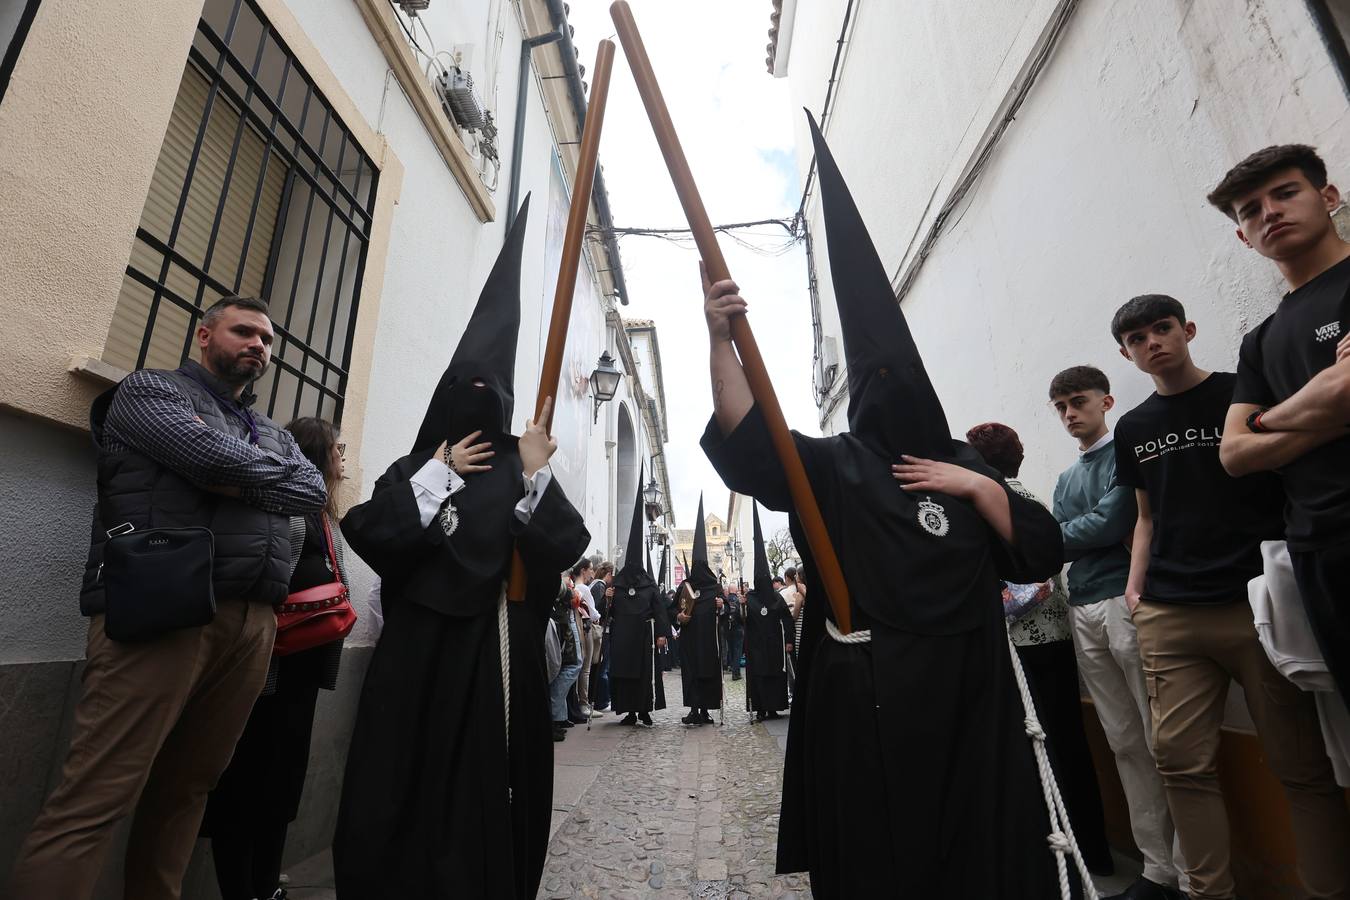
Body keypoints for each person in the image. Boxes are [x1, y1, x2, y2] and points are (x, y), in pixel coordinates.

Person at [702, 115, 1066, 897]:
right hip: (865, 684)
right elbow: (748, 439)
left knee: (977, 846)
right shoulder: (833, 463)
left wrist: (976, 486)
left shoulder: (968, 466)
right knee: (877, 852)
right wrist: (720, 340)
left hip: (970, 690)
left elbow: (1038, 550)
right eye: (878, 387)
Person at [6, 295, 326, 900]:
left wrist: (242, 473)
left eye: (266, 339)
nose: (258, 345)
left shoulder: (272, 433)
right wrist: (249, 475)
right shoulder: (151, 392)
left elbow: (311, 491)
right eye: (243, 331)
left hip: (253, 623)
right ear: (203, 336)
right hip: (163, 612)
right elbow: (205, 457)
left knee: (188, 790)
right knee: (97, 794)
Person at [331, 199, 590, 900]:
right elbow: (372, 533)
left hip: (494, 657)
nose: (479, 402)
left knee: (484, 805)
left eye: (491, 393)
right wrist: (440, 471)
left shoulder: (522, 468)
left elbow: (564, 546)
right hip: (416, 659)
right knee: (400, 790)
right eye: (465, 391)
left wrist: (534, 474)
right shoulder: (416, 467)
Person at [1111, 293, 1350, 900]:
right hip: (1169, 610)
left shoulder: (1237, 395)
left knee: (1301, 765)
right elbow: (1145, 518)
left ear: (1188, 329)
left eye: (1162, 329)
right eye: (1138, 339)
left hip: (1256, 603)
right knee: (1178, 763)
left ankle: (1326, 888)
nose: (1153, 343)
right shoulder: (1133, 426)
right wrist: (1136, 590)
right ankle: (1208, 892)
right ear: (1126, 354)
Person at [1210, 144, 1350, 713]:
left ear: (1328, 196)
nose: (1268, 211)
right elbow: (1235, 454)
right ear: (1244, 236)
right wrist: (1289, 417)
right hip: (1319, 549)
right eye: (1250, 210)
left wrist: (1267, 424)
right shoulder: (1261, 341)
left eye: (1285, 193)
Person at [1047, 365, 1187, 899]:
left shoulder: (1123, 451)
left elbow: (1109, 523)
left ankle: (1187, 866)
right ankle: (1158, 870)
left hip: (1127, 599)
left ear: (1105, 402)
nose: (1068, 414)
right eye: (1060, 407)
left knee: (1159, 737)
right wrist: (1074, 537)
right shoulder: (1064, 478)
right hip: (1081, 605)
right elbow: (1060, 540)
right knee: (1123, 741)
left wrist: (1070, 536)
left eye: (1077, 401)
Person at [203, 417, 351, 900]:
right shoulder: (284, 507)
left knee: (281, 788)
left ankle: (266, 888)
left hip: (299, 677)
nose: (343, 458)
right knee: (244, 785)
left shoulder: (325, 516)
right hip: (264, 669)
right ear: (315, 453)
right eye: (338, 449)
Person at [966, 421, 1115, 883]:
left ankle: (1060, 858)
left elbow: (1035, 582)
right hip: (1052, 642)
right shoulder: (1027, 497)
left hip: (1024, 647)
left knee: (1041, 751)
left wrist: (992, 608)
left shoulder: (993, 504)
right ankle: (1091, 851)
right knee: (1068, 745)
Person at [608, 471, 671, 726]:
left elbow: (659, 611)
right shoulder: (618, 585)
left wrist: (662, 633)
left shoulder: (648, 585)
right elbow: (607, 613)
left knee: (645, 675)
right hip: (624, 638)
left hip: (644, 637)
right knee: (626, 676)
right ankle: (629, 711)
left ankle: (644, 710)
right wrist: (608, 599)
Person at [677, 496, 724, 726]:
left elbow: (729, 610)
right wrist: (679, 617)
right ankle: (694, 709)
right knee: (692, 674)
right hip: (689, 639)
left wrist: (721, 606)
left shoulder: (715, 588)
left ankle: (705, 710)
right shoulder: (685, 586)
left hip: (709, 640)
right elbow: (673, 610)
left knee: (707, 673)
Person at [744, 504, 794, 722]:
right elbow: (742, 620)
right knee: (759, 677)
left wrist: (789, 641)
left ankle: (774, 707)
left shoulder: (777, 598)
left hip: (774, 644)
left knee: (775, 676)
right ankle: (761, 708)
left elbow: (787, 619)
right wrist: (743, 607)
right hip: (756, 645)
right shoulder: (751, 598)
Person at [550, 573, 584, 738]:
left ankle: (559, 716)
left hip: (562, 621)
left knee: (564, 668)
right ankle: (555, 716)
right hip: (559, 623)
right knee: (567, 668)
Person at [570, 558, 599, 719]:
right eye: (591, 570)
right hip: (586, 628)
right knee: (585, 668)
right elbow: (593, 613)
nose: (592, 574)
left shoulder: (576, 587)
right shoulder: (584, 588)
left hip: (581, 627)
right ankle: (583, 702)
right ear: (583, 570)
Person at [589, 560, 615, 711]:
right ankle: (602, 701)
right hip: (602, 631)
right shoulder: (600, 586)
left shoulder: (596, 585)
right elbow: (601, 610)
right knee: (602, 667)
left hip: (601, 631)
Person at [724, 585, 745, 680]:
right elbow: (742, 615)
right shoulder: (738, 600)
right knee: (737, 651)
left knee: (732, 650)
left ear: (728, 591)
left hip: (728, 629)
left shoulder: (725, 600)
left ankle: (733, 668)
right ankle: (736, 673)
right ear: (736, 590)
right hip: (738, 628)